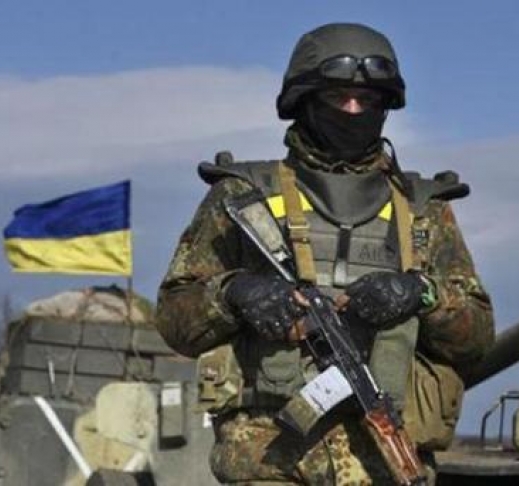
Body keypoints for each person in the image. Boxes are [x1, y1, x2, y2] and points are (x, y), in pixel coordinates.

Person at [157, 22, 494, 485]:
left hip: (385, 463)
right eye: (339, 97)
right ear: (306, 100)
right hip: (269, 463)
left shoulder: (423, 211)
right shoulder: (243, 197)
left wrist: (421, 294)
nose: (354, 109)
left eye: (367, 99)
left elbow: (477, 337)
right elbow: (174, 319)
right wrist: (235, 293)